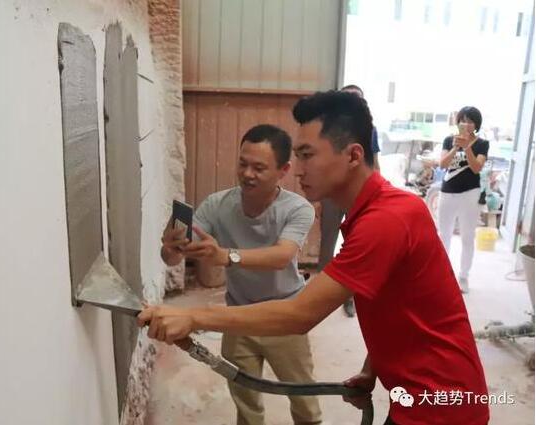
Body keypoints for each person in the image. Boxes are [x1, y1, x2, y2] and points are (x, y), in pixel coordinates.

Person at [144, 91, 489, 425]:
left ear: (353, 156)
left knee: (306, 411)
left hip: (444, 404)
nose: (298, 170)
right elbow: (396, 304)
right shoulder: (371, 214)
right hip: (417, 397)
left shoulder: (386, 220)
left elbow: (300, 314)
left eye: (307, 156)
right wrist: (372, 370)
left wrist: (192, 316)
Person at [160, 124, 322, 425]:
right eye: (242, 164)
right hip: (238, 317)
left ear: (283, 170)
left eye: (259, 168)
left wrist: (225, 256)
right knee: (246, 404)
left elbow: (281, 256)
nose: (247, 174)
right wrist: (171, 247)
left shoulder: (298, 208)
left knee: (304, 400)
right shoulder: (217, 204)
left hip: (285, 315)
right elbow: (171, 258)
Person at [320, 84, 380, 318]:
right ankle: (321, 296)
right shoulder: (327, 129)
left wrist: (377, 192)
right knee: (328, 240)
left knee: (357, 243)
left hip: (359, 193)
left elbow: (374, 163)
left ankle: (350, 298)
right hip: (332, 192)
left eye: (358, 99)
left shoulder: (369, 130)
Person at [437, 106, 489, 293]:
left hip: (470, 193)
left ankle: (464, 276)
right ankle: (442, 274)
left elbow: (476, 168)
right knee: (444, 235)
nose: (466, 124)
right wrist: (455, 147)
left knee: (467, 236)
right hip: (447, 192)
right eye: (462, 120)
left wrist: (467, 147)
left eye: (470, 121)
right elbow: (442, 164)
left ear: (476, 124)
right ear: (458, 122)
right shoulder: (449, 140)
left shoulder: (482, 144)